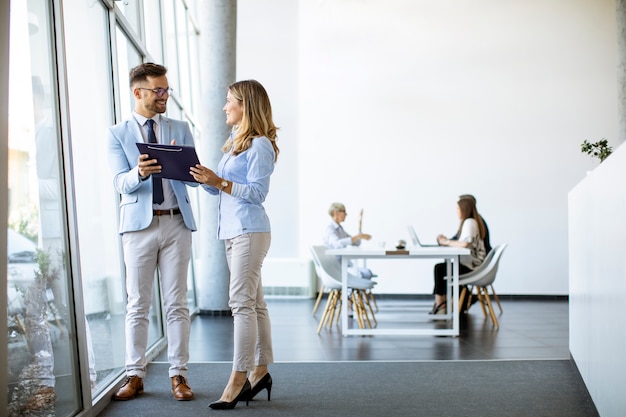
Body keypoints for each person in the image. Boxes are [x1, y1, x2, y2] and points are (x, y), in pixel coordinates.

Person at [107, 63, 197, 401]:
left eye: (166, 90)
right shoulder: (117, 134)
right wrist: (139, 173)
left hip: (176, 222)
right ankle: (135, 375)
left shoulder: (180, 127)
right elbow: (120, 183)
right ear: (138, 92)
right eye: (158, 90)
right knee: (137, 304)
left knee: (177, 303)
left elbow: (193, 178)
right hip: (138, 228)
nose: (164, 96)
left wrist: (184, 165)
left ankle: (179, 375)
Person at [190, 79, 279, 409]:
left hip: (250, 231)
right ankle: (261, 371)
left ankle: (238, 378)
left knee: (241, 305)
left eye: (230, 101)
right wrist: (204, 179)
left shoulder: (260, 146)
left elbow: (256, 194)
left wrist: (221, 181)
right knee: (254, 305)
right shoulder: (236, 142)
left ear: (246, 106)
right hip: (233, 231)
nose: (225, 107)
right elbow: (221, 190)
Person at [430, 197, 487, 315]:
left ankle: (441, 304)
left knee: (440, 269)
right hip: (471, 264)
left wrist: (446, 242)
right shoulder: (470, 222)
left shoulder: (470, 222)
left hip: (472, 267)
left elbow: (465, 244)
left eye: (457, 208)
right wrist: (446, 241)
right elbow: (460, 242)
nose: (456, 211)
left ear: (464, 209)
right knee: (442, 268)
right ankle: (442, 303)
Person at [323, 203, 375, 279]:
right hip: (335, 268)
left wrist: (359, 225)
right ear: (336, 213)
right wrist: (358, 236)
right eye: (344, 212)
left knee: (367, 273)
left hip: (345, 265)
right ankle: (350, 290)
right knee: (365, 274)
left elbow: (357, 243)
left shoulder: (340, 230)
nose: (346, 215)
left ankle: (352, 289)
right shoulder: (330, 229)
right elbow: (337, 244)